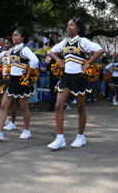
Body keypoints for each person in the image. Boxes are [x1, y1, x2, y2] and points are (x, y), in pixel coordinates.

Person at [47, 17, 104, 150]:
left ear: (78, 28)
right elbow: (51, 51)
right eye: (67, 25)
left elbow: (100, 50)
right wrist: (59, 61)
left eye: (71, 25)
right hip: (66, 77)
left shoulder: (82, 41)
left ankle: (80, 136)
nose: (68, 27)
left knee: (80, 108)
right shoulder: (65, 42)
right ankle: (60, 138)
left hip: (79, 78)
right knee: (58, 105)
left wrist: (88, 63)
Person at [0, 26, 39, 140]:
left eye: (16, 35)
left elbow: (35, 60)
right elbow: (8, 66)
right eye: (13, 35)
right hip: (11, 81)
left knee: (24, 108)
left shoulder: (24, 49)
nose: (13, 37)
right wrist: (3, 74)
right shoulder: (10, 51)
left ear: (23, 37)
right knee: (4, 106)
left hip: (22, 82)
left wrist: (28, 73)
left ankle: (26, 130)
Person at [0, 36, 17, 130]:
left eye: (7, 43)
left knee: (12, 102)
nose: (4, 45)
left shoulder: (15, 52)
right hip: (2, 79)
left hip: (11, 79)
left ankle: (13, 122)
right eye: (4, 43)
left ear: (12, 45)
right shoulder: (2, 53)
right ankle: (5, 119)